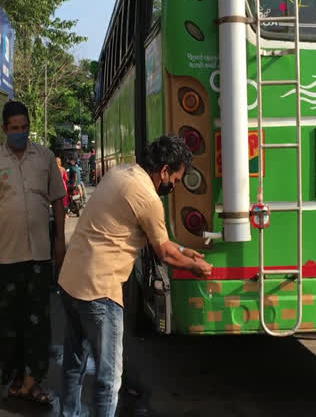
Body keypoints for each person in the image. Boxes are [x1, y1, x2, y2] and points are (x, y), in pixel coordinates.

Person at [57, 135, 213, 417]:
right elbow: (164, 252)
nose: (172, 186)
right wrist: (194, 266)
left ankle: (68, 413)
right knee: (108, 378)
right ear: (164, 171)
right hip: (100, 290)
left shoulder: (121, 173)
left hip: (71, 280)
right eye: (175, 179)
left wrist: (186, 251)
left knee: (74, 363)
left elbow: (159, 241)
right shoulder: (148, 197)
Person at [0, 101, 66, 405]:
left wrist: (60, 242)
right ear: (4, 129)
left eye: (24, 128)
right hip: (6, 257)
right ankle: (14, 380)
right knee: (9, 322)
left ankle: (34, 381)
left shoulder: (45, 158)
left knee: (39, 322)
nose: (20, 133)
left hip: (39, 256)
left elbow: (58, 201)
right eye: (14, 129)